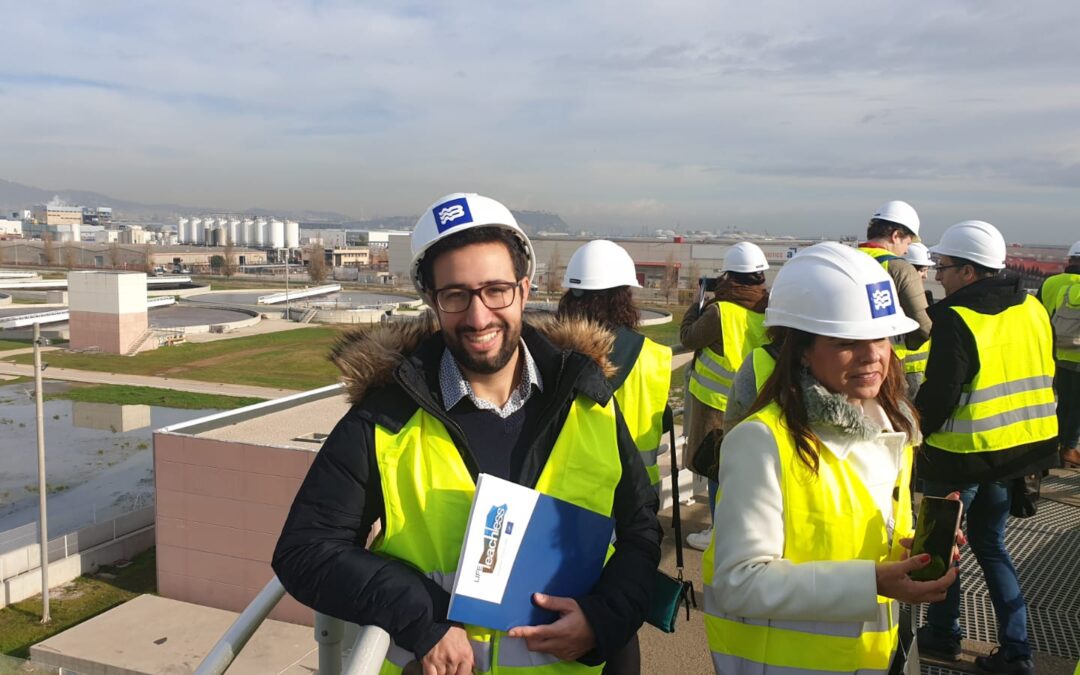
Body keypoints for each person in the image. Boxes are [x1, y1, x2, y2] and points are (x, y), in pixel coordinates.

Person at [272, 193, 661, 675]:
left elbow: (641, 529)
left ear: (524, 289)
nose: (479, 318)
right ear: (432, 300)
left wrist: (603, 617)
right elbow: (305, 551)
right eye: (456, 295)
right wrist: (423, 617)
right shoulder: (387, 418)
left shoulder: (588, 399)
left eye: (496, 290)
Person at [704, 242, 957, 675]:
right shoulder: (762, 441)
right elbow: (738, 583)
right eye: (847, 342)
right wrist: (872, 581)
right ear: (802, 348)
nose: (872, 355)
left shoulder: (890, 430)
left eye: (881, 337)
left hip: (875, 659)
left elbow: (856, 537)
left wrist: (914, 551)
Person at [915, 220, 1058, 675]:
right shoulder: (1033, 307)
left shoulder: (956, 317)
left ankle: (943, 634)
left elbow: (941, 393)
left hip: (958, 457)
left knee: (940, 546)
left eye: (944, 266)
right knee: (991, 545)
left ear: (969, 272)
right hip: (1015, 453)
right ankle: (1017, 651)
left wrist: (913, 431)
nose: (939, 275)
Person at [558, 239, 673, 490]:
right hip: (638, 490)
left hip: (572, 491)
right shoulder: (655, 356)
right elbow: (661, 422)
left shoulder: (550, 351)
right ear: (623, 298)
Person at [680, 241, 770, 551]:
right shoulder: (769, 307)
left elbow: (688, 337)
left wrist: (698, 301)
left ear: (728, 276)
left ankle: (719, 534)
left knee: (717, 470)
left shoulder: (720, 312)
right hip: (758, 402)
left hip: (718, 407)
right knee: (748, 470)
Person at [858, 200, 933, 353]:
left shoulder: (846, 259)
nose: (906, 251)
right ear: (896, 236)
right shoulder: (900, 268)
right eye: (908, 243)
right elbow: (923, 327)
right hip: (886, 357)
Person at [1036, 240, 1080, 466]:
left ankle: (1055, 446)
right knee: (1077, 406)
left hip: (1055, 353)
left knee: (1062, 402)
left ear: (1070, 259)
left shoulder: (1051, 282)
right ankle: (1069, 448)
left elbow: (1037, 313)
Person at [898, 242, 937, 396]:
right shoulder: (900, 300)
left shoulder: (922, 296)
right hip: (906, 371)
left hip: (920, 370)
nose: (925, 276)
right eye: (922, 270)